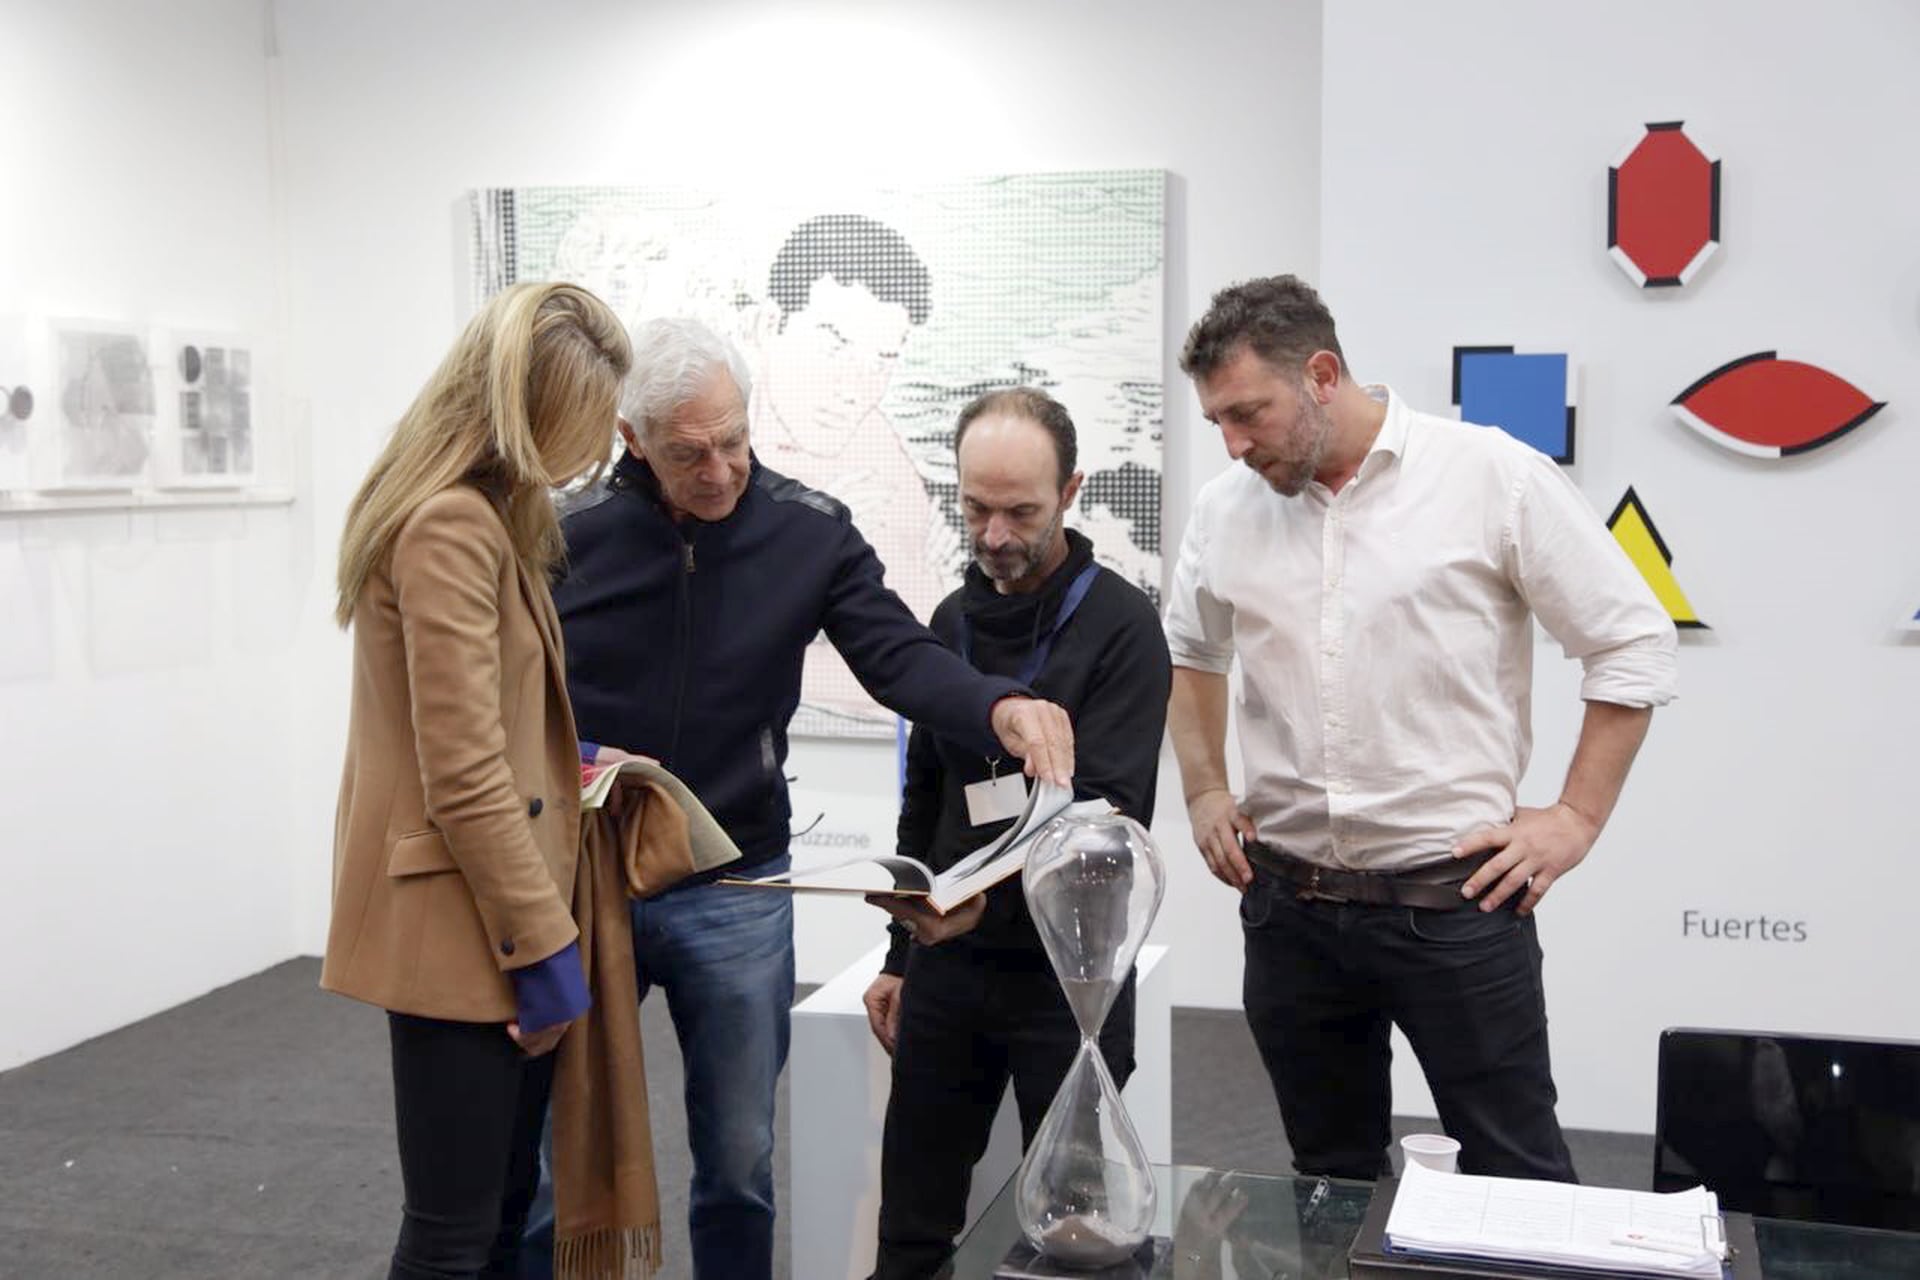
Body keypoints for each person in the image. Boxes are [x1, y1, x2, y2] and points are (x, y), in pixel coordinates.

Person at [533, 318, 1077, 1280]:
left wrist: (998, 705)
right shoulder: (565, 540)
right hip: (587, 886)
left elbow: (897, 654)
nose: (720, 471)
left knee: (738, 1159)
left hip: (735, 885)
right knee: (554, 1150)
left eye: (734, 441)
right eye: (688, 454)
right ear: (633, 441)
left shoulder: (807, 530)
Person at [1163, 275, 1678, 1182]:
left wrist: (1575, 819)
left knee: (1519, 1175)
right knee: (1327, 1178)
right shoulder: (1225, 511)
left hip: (1458, 911)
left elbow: (1631, 640)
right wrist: (1205, 787)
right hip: (1289, 913)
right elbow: (1191, 653)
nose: (1235, 444)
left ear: (1322, 374)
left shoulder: (1491, 475)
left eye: (1249, 413)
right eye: (1218, 424)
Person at [321, 282, 654, 1278]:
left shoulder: (482, 518)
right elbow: (462, 774)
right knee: (456, 1228)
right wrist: (545, 947)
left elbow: (489, 731)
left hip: (490, 912)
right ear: (526, 407)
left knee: (502, 1212)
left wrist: (570, 762)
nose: (591, 458)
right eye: (580, 429)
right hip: (466, 922)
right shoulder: (450, 528)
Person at [858, 389, 1171, 1278]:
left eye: (1021, 512)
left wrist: (968, 907)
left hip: (1067, 975)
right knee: (913, 1220)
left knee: (1080, 1237)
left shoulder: (1122, 627)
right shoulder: (950, 625)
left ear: (1070, 491)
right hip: (950, 964)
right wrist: (899, 954)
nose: (994, 534)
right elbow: (925, 798)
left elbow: (1104, 826)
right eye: (976, 507)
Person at [747, 213, 958, 733]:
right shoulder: (715, 458)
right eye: (833, 344)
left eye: (882, 359)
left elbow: (927, 634)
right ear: (769, 325)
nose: (853, 388)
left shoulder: (871, 441)